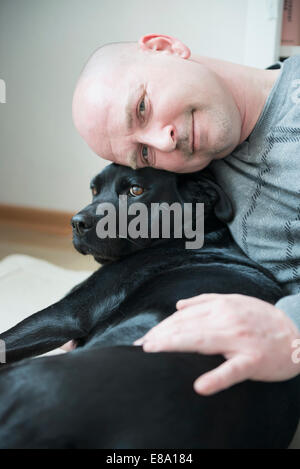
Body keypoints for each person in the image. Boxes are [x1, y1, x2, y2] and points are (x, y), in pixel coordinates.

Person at [72, 34, 300, 396]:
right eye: (144, 154)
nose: (164, 142)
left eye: (143, 107)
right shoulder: (196, 171)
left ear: (165, 48)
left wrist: (291, 327)